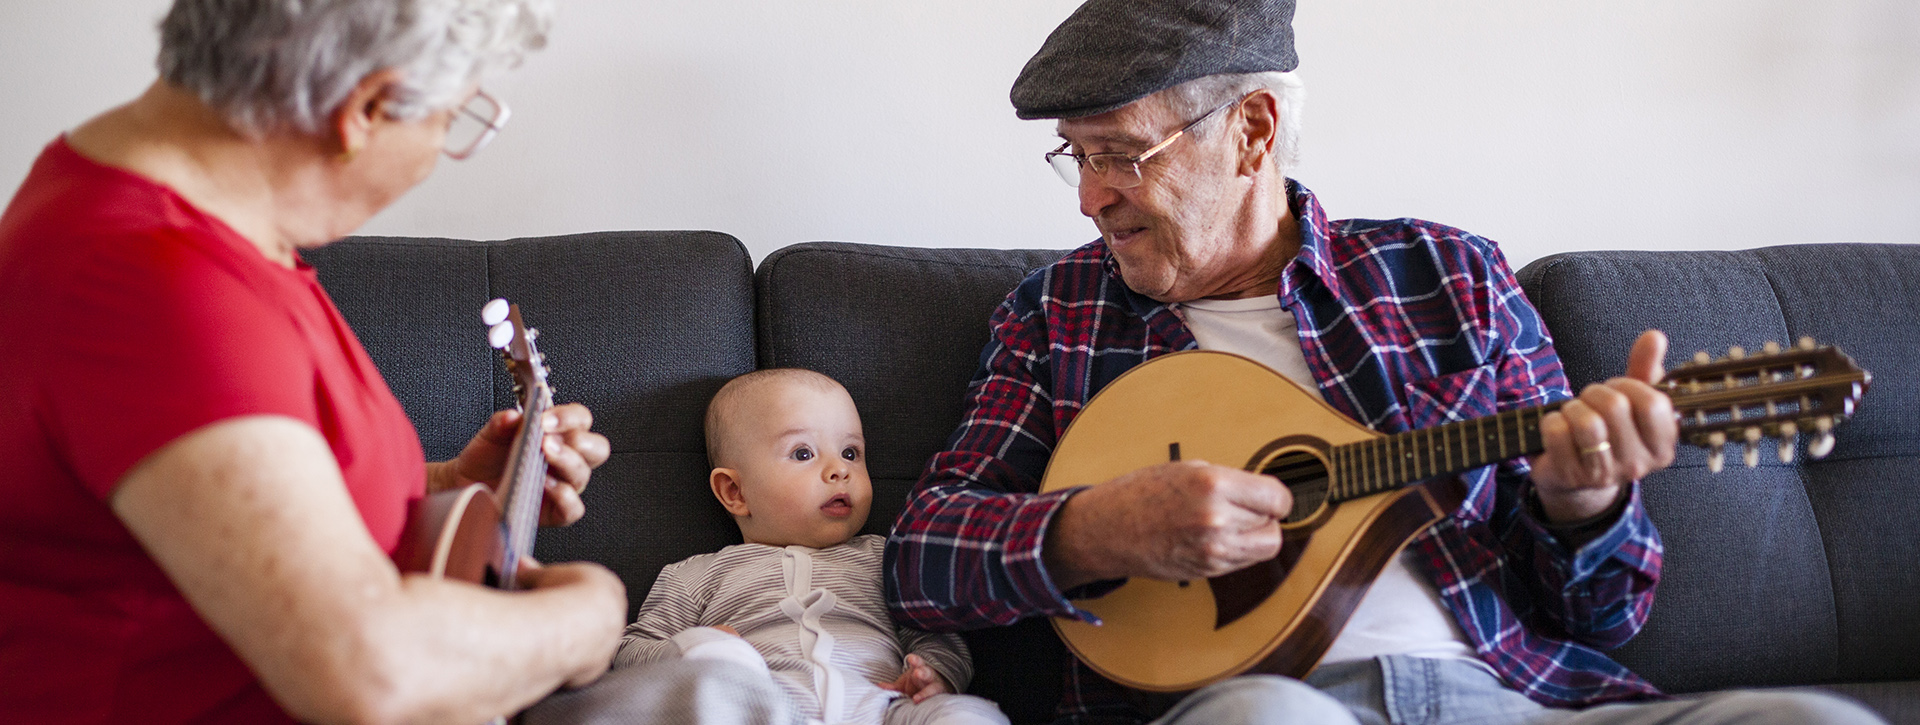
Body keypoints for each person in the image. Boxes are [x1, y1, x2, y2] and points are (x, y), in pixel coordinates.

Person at [883, 1, 1884, 724]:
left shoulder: (1451, 276)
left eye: (1121, 154)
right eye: (1078, 154)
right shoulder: (1057, 313)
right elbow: (919, 558)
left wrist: (1582, 501)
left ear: (1252, 130)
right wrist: (1094, 529)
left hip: (1509, 697)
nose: (1090, 196)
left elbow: (1606, 615)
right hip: (1257, 703)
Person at [0, 1, 787, 723]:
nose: (442, 151)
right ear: (367, 110)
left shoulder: (198, 228)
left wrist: (449, 486)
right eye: (452, 119)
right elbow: (365, 670)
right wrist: (589, 614)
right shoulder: (153, 282)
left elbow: (237, 518)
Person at [616, 369, 1011, 725]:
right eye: (803, 453)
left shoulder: (888, 557)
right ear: (735, 491)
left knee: (969, 714)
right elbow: (630, 652)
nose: (840, 470)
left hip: (882, 706)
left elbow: (934, 632)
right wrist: (694, 648)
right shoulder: (695, 575)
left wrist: (935, 674)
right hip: (760, 708)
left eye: (850, 453)